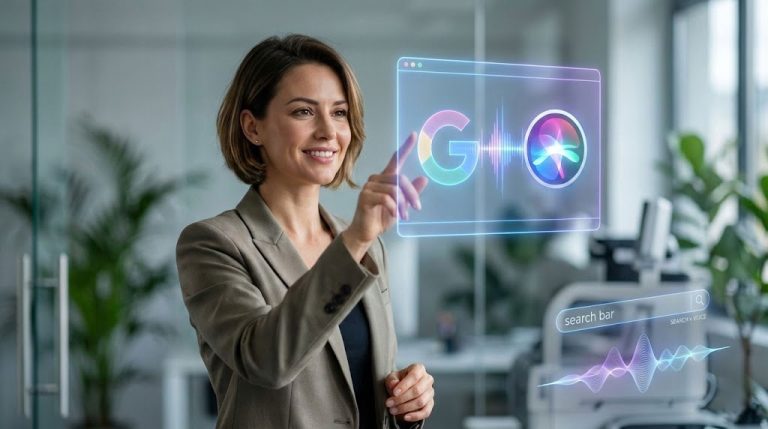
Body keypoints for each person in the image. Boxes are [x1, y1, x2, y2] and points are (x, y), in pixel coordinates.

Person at [176, 34, 434, 429]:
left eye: (340, 113)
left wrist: (408, 401)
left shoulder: (365, 244)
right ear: (252, 127)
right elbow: (266, 361)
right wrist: (355, 242)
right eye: (303, 112)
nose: (329, 132)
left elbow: (362, 385)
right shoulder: (213, 244)